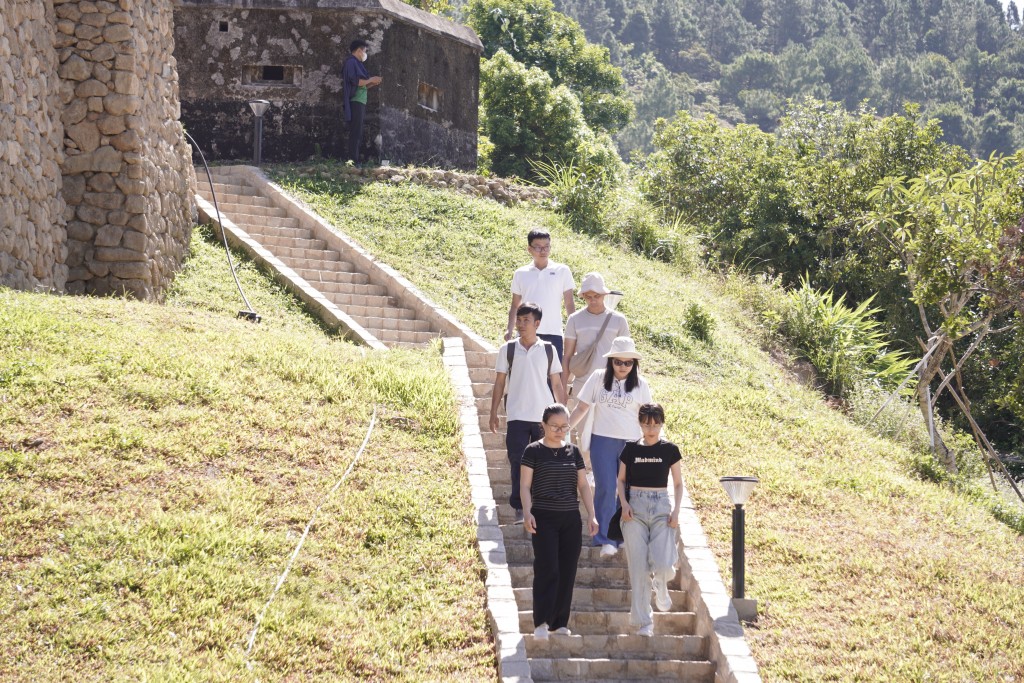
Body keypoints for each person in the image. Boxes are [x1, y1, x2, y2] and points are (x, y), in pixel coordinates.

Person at [521, 403, 598, 640]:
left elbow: (583, 485)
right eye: (554, 426)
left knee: (567, 570)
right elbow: (524, 486)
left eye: (564, 426)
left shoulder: (573, 452)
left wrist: (592, 514)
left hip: (570, 519)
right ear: (543, 425)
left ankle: (560, 622)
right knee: (547, 568)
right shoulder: (533, 450)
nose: (559, 430)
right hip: (543, 517)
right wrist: (527, 512)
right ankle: (541, 623)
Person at [568, 336, 652, 557]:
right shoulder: (597, 378)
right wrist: (561, 429)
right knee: (605, 487)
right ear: (610, 361)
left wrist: (650, 444)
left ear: (634, 364)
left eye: (628, 363)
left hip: (632, 444)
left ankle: (622, 535)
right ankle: (603, 537)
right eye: (618, 362)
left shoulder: (641, 385)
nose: (623, 367)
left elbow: (648, 418)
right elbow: (581, 408)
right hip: (602, 441)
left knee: (626, 491)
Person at [490, 302, 566, 525]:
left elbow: (557, 384)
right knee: (517, 461)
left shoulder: (549, 349)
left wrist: (563, 414)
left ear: (537, 323)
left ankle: (540, 506)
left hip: (544, 419)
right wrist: (493, 412)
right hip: (516, 416)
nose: (521, 325)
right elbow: (499, 382)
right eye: (519, 320)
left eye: (526, 321)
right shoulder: (508, 349)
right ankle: (520, 507)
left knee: (544, 463)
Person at [616, 402, 683, 637]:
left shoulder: (670, 450)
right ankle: (644, 621)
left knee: (665, 564)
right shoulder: (630, 449)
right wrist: (624, 505)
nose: (651, 428)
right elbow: (621, 480)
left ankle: (661, 584)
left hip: (662, 507)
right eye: (646, 423)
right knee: (638, 567)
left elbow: (677, 483)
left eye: (655, 424)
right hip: (635, 508)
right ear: (640, 423)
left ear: (662, 423)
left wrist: (676, 511)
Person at [505, 229, 575, 362]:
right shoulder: (521, 273)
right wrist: (509, 329)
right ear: (529, 249)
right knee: (524, 376)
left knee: (552, 378)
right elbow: (515, 305)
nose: (543, 251)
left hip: (554, 333)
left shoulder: (562, 270)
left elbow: (569, 303)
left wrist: (573, 332)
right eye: (538, 247)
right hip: (526, 332)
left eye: (546, 247)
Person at [562, 271, 629, 395]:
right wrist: (563, 388)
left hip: (611, 384)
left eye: (596, 296)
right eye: (588, 296)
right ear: (583, 296)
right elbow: (567, 356)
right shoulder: (574, 319)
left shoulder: (619, 319)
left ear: (604, 294)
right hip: (582, 384)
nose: (593, 300)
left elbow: (627, 355)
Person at [342, 39, 382, 164]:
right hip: (355, 100)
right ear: (359, 51)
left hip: (361, 100)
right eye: (364, 51)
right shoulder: (351, 62)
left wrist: (373, 82)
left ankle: (354, 159)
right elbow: (356, 82)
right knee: (356, 131)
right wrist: (371, 79)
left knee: (358, 131)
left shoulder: (358, 64)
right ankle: (353, 160)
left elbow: (363, 85)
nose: (365, 54)